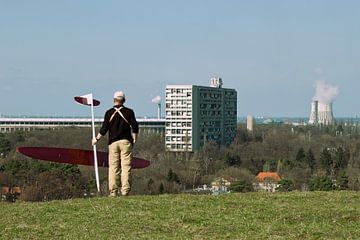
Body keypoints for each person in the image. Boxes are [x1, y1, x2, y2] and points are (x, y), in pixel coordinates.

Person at [92, 91, 138, 197]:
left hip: (113, 143)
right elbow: (134, 126)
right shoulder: (129, 112)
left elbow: (104, 128)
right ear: (124, 100)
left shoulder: (109, 113)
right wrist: (134, 138)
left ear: (114, 100)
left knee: (113, 167)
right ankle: (125, 191)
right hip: (126, 142)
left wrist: (96, 139)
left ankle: (113, 191)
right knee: (126, 167)